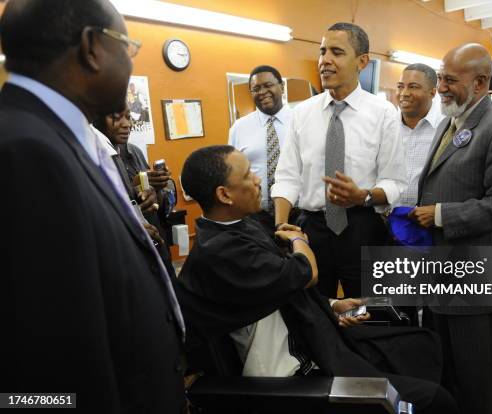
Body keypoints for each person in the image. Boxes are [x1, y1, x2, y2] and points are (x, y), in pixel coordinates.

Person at [174, 145, 459, 414]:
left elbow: (274, 292)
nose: (259, 179)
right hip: (294, 375)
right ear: (225, 195)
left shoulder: (242, 227)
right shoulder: (222, 251)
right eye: (248, 174)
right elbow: (306, 272)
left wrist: (333, 304)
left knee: (419, 347)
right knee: (435, 400)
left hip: (314, 341)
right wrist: (299, 239)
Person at [0, 1, 185, 413]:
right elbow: (47, 358)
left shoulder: (60, 139)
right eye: (129, 48)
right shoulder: (27, 152)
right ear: (91, 48)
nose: (131, 65)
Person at [410, 43, 492, 414]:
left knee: (476, 376)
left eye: (449, 79)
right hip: (441, 272)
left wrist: (442, 215)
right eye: (440, 77)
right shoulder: (449, 121)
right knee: (446, 371)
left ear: (480, 82)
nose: (440, 86)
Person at [272, 22, 406, 298]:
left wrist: (363, 196)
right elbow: (287, 176)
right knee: (314, 313)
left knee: (371, 310)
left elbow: (394, 182)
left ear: (362, 61)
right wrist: (281, 226)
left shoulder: (383, 113)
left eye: (336, 52)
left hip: (362, 227)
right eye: (322, 52)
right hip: (312, 229)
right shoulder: (302, 114)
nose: (325, 61)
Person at [93, 105, 178, 275]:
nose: (127, 124)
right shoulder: (93, 156)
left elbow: (158, 201)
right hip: (126, 252)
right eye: (117, 117)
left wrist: (157, 188)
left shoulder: (135, 152)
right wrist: (130, 189)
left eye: (128, 117)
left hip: (155, 238)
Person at [228, 65, 292, 234]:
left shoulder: (300, 121)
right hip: (256, 217)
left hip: (298, 212)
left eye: (268, 85)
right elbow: (232, 173)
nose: (262, 91)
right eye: (256, 88)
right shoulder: (239, 128)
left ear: (282, 86)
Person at [395, 63, 442, 207]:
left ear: (433, 92)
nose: (404, 93)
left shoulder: (446, 128)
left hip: (427, 219)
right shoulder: (386, 125)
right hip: (386, 218)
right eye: (400, 86)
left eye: (413, 87)